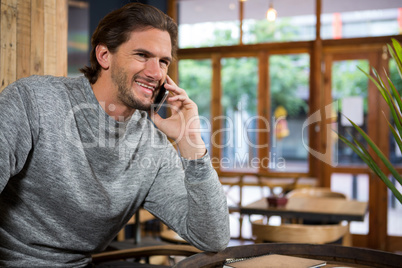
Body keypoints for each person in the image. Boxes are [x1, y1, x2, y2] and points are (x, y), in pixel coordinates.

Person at [0, 3, 230, 267]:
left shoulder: (151, 144)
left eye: (163, 61)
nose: (156, 73)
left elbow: (213, 238)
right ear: (104, 55)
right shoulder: (33, 100)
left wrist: (190, 143)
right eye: (142, 55)